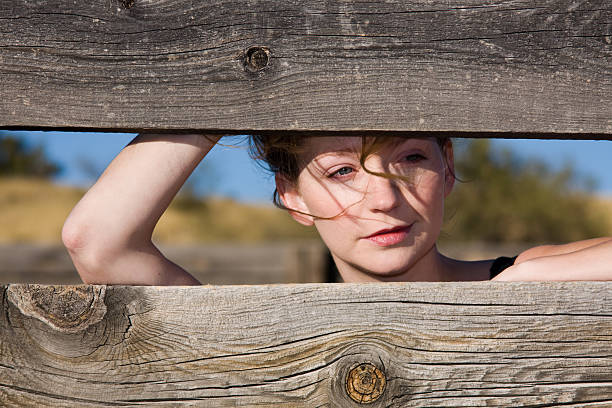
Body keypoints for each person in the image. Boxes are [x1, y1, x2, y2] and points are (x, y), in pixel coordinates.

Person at [62, 133, 612, 285]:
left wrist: (525, 278)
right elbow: (98, 242)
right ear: (292, 196)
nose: (385, 197)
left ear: (447, 168)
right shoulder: (264, 339)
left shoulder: (524, 276)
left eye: (410, 159)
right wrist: (225, 92)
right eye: (342, 171)